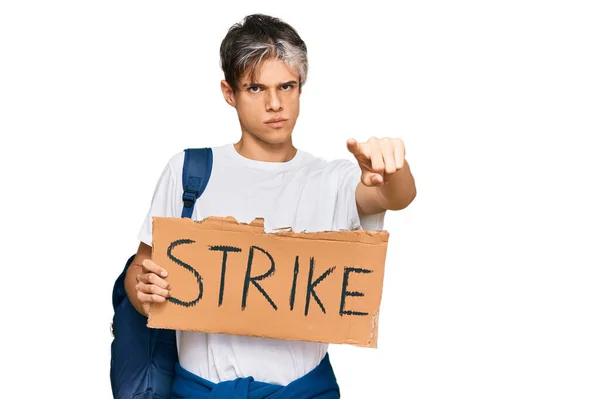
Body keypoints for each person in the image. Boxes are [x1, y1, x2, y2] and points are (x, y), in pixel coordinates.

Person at [125, 13, 416, 398]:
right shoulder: (188, 172)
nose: (275, 103)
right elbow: (139, 270)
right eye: (256, 88)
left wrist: (391, 166)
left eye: (287, 86)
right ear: (229, 93)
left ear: (301, 86)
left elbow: (394, 196)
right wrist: (143, 289)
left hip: (302, 391)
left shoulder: (332, 179)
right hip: (199, 390)